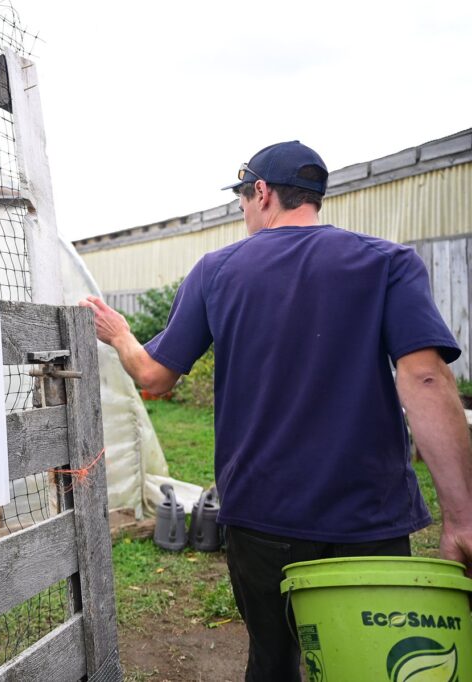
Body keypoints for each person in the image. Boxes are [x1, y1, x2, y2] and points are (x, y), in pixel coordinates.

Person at [79, 140, 472, 681]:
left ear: (261, 192)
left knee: (273, 659)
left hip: (263, 515)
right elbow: (426, 378)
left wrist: (120, 335)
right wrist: (462, 518)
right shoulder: (388, 262)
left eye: (243, 198)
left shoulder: (217, 271)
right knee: (372, 663)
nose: (243, 211)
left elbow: (154, 376)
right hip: (370, 516)